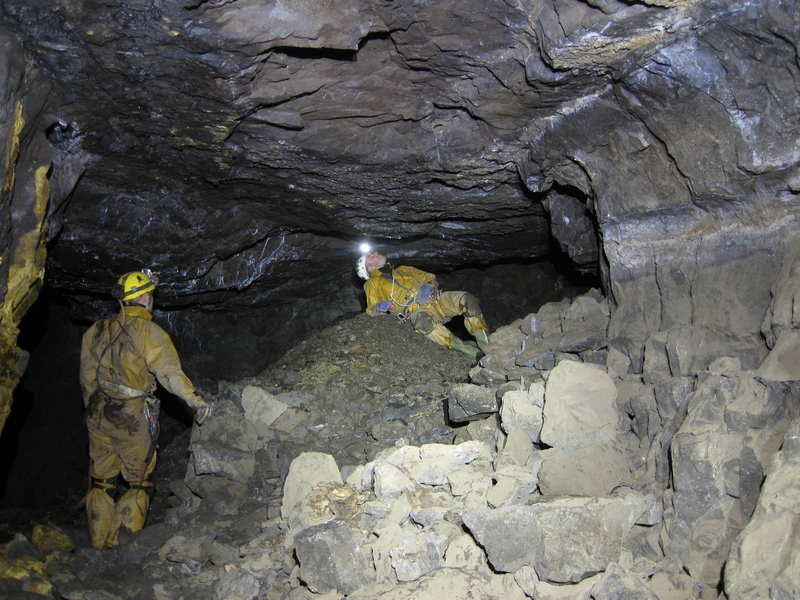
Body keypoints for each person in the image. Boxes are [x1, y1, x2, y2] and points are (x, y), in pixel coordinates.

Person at [79, 269, 211, 549]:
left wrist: (94, 412)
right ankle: (119, 548)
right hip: (130, 416)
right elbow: (169, 372)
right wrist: (194, 400)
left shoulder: (96, 330)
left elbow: (87, 379)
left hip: (97, 413)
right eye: (150, 293)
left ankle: (97, 544)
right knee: (138, 481)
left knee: (102, 479)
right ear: (147, 298)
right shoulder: (147, 331)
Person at [356, 251, 490, 359]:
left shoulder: (403, 269)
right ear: (369, 268)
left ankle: (487, 345)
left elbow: (429, 276)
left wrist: (427, 286)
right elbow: (371, 309)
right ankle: (468, 351)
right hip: (416, 310)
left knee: (467, 300)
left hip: (435, 299)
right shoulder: (372, 284)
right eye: (370, 256)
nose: (375, 253)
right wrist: (379, 307)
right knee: (423, 322)